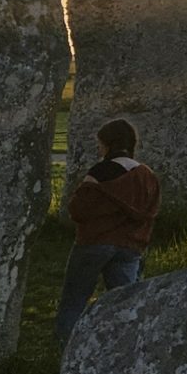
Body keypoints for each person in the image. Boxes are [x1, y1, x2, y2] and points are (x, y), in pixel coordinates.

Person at [56, 118, 161, 351]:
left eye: (100, 144)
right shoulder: (146, 175)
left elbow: (78, 210)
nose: (99, 148)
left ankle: (64, 349)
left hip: (95, 242)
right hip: (130, 246)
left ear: (108, 144)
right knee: (126, 302)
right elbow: (151, 211)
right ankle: (129, 347)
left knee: (74, 299)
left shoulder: (101, 172)